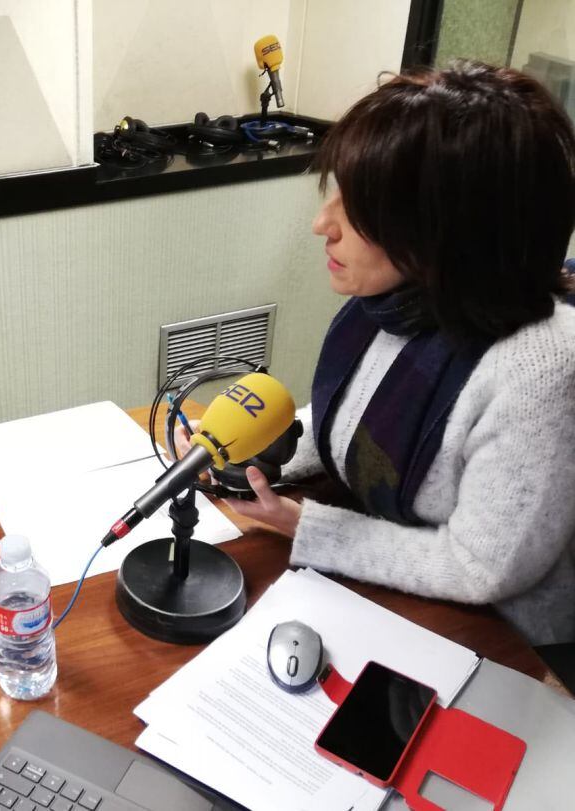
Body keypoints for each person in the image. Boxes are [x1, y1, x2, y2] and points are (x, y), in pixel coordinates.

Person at [185, 62, 575, 645]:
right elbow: (353, 423)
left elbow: (480, 568)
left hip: (503, 641)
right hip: (394, 574)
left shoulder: (539, 369)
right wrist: (241, 457)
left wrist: (306, 527)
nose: (323, 223)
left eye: (361, 207)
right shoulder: (399, 302)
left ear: (450, 227)